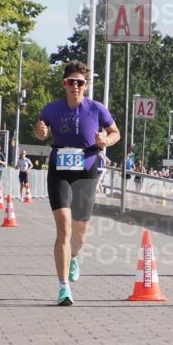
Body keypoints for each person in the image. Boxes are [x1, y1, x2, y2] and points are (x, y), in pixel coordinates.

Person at [33, 61, 121, 306]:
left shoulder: (96, 109)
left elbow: (116, 132)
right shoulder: (52, 109)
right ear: (64, 84)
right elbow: (41, 132)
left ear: (86, 85)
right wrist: (40, 131)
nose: (75, 86)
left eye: (80, 82)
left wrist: (106, 139)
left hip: (86, 168)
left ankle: (75, 256)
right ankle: (64, 287)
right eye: (71, 82)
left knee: (79, 234)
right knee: (63, 227)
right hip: (59, 168)